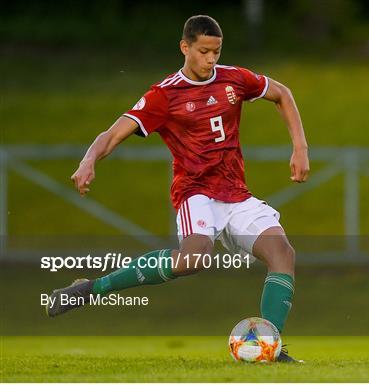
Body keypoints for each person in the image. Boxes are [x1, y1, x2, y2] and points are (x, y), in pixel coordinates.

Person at [46, 15, 309, 363]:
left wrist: (300, 147)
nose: (211, 59)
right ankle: (91, 288)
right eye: (203, 51)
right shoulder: (165, 95)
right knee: (194, 259)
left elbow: (282, 94)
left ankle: (270, 347)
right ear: (185, 47)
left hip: (236, 193)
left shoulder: (234, 79)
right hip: (196, 192)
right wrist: (88, 160)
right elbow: (113, 133)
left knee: (283, 254)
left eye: (216, 51)